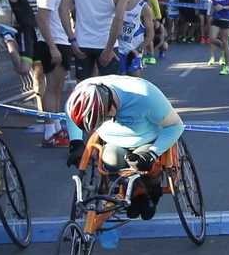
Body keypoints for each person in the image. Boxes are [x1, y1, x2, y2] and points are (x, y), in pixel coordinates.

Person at [64, 76, 186, 242]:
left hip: (147, 139)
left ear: (110, 104)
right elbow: (69, 113)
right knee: (110, 161)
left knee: (144, 167)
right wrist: (76, 143)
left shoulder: (145, 96)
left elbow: (176, 125)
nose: (108, 121)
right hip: (113, 142)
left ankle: (151, 190)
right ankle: (130, 193)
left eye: (106, 118)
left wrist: (152, 153)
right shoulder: (80, 93)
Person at [35, 0, 78, 147]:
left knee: (58, 87)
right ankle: (49, 133)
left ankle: (56, 127)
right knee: (52, 88)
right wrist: (52, 47)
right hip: (54, 43)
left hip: (61, 41)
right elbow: (41, 18)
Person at [1, 0, 43, 120]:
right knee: (24, 69)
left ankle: (42, 112)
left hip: (37, 32)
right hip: (24, 31)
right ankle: (8, 40)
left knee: (39, 74)